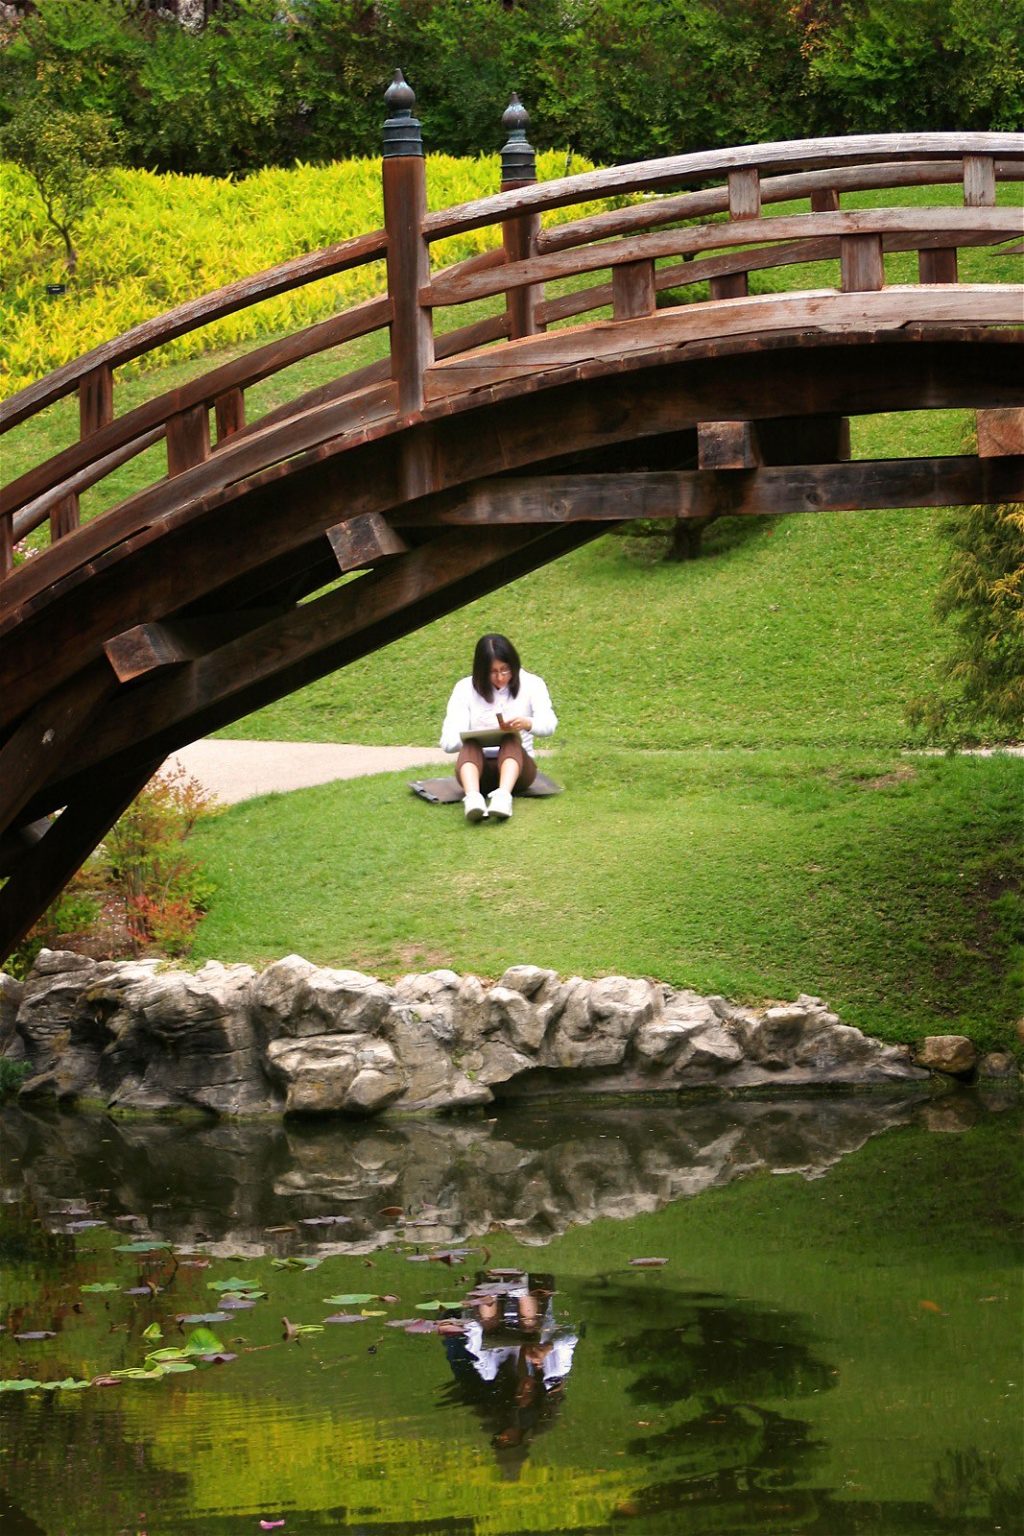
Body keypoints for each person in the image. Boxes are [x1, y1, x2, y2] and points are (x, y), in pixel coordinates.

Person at [439, 634, 557, 823]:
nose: (500, 677)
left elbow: (550, 725)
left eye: (505, 670)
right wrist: (469, 736)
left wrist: (527, 723)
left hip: (518, 771)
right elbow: (447, 742)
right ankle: (473, 799)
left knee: (510, 739)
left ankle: (503, 797)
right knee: (470, 745)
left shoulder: (533, 683)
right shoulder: (464, 688)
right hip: (478, 771)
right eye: (493, 672)